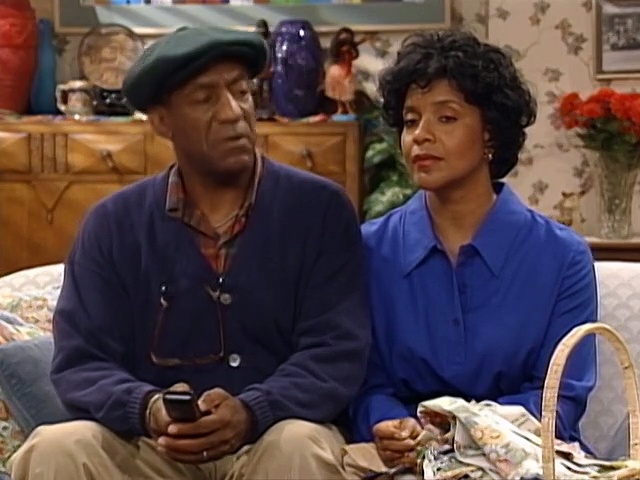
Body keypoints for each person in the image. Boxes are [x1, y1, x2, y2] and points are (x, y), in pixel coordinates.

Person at [9, 26, 371, 480]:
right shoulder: (112, 224)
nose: (233, 112)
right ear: (162, 122)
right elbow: (82, 363)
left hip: (273, 436)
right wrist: (149, 408)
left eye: (241, 92)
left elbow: (335, 350)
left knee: (300, 446)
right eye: (205, 99)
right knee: (55, 448)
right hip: (154, 449)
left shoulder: (319, 209)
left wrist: (254, 410)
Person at [349, 29, 597, 470]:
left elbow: (559, 400)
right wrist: (385, 421)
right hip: (403, 466)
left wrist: (458, 432)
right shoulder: (369, 250)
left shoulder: (562, 258)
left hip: (529, 465)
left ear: (490, 135)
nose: (421, 135)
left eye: (446, 118)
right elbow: (363, 384)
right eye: (410, 120)